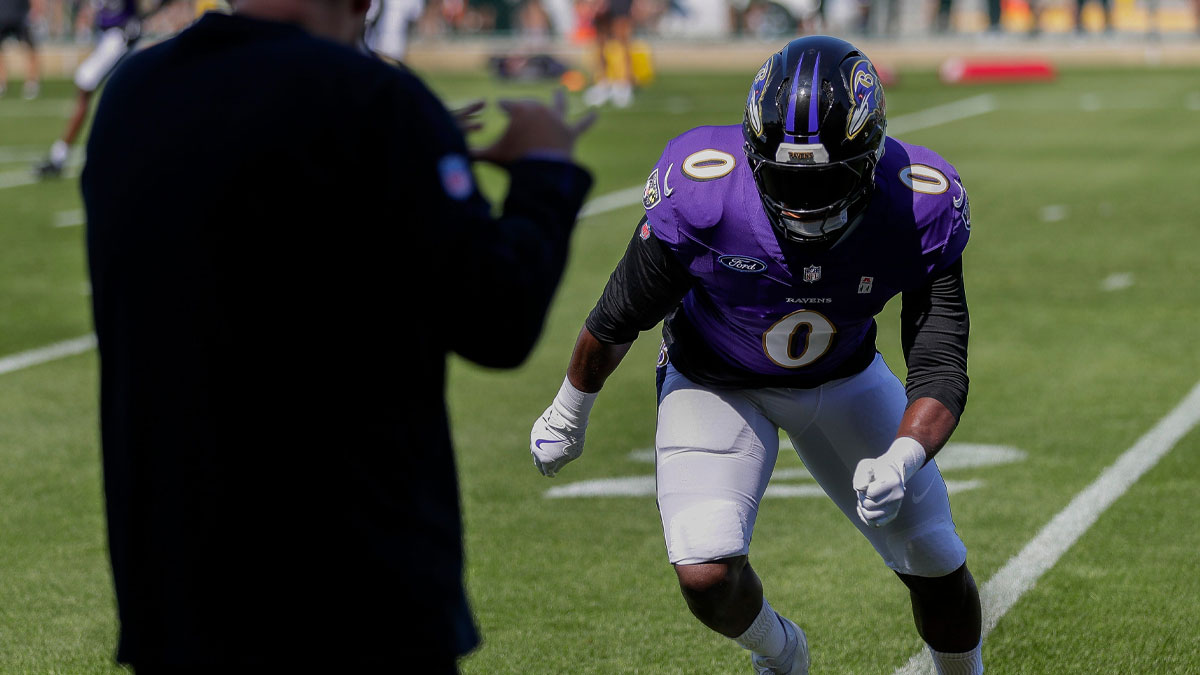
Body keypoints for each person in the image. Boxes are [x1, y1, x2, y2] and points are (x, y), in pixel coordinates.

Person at [81, 0, 595, 669]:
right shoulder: (372, 98)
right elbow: (498, 319)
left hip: (177, 579)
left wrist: (418, 152)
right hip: (354, 585)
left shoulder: (133, 90)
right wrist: (545, 171)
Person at [530, 35, 982, 675]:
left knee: (934, 556)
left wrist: (904, 456)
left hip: (844, 378)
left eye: (825, 177)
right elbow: (620, 313)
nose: (803, 198)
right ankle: (781, 652)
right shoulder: (704, 192)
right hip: (713, 380)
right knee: (706, 570)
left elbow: (939, 360)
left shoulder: (918, 203)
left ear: (870, 155)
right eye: (785, 175)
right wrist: (569, 409)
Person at [33, 0, 167, 178]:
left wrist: (142, 19)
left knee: (89, 87)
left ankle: (60, 156)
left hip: (119, 36)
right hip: (106, 36)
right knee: (126, 96)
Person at [0, 0, 40, 98]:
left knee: (30, 49)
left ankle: (32, 83)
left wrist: (35, 10)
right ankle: (2, 83)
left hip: (21, 16)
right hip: (2, 16)